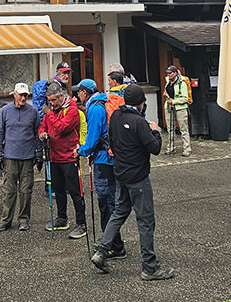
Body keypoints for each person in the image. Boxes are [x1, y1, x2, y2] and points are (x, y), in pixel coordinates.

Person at [90, 84, 174, 280]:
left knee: (119, 212)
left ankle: (102, 250)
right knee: (145, 220)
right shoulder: (139, 122)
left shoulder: (116, 117)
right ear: (141, 103)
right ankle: (149, 267)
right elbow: (155, 148)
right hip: (138, 177)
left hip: (120, 174)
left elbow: (111, 141)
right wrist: (155, 131)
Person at [77, 78, 125, 258]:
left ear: (84, 92)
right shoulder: (101, 103)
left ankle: (114, 245)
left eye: (79, 91)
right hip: (109, 157)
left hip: (105, 160)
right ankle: (112, 242)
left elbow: (93, 138)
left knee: (107, 203)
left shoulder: (96, 108)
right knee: (109, 202)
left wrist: (81, 150)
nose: (77, 95)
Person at [39, 81, 87, 239]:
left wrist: (49, 113)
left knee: (74, 190)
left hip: (69, 156)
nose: (51, 104)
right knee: (58, 189)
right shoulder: (52, 112)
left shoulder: (72, 110)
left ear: (61, 97)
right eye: (49, 101)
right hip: (54, 156)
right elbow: (43, 126)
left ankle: (81, 223)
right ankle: (62, 219)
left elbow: (62, 127)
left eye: (53, 100)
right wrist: (42, 134)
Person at [0, 82, 41, 232]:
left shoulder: (33, 111)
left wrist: (39, 154)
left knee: (26, 191)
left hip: (27, 156)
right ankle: (6, 220)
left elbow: (37, 134)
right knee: (8, 190)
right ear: (14, 94)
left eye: (25, 95)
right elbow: (0, 132)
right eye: (20, 94)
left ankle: (24, 219)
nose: (23, 97)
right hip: (10, 156)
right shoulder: (5, 111)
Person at [164, 65, 191, 156]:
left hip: (181, 108)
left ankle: (187, 149)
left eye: (170, 73)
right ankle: (171, 147)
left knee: (183, 129)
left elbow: (185, 98)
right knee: (170, 129)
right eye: (167, 73)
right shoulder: (167, 82)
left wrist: (174, 101)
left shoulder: (181, 83)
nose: (168, 74)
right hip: (169, 107)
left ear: (175, 73)